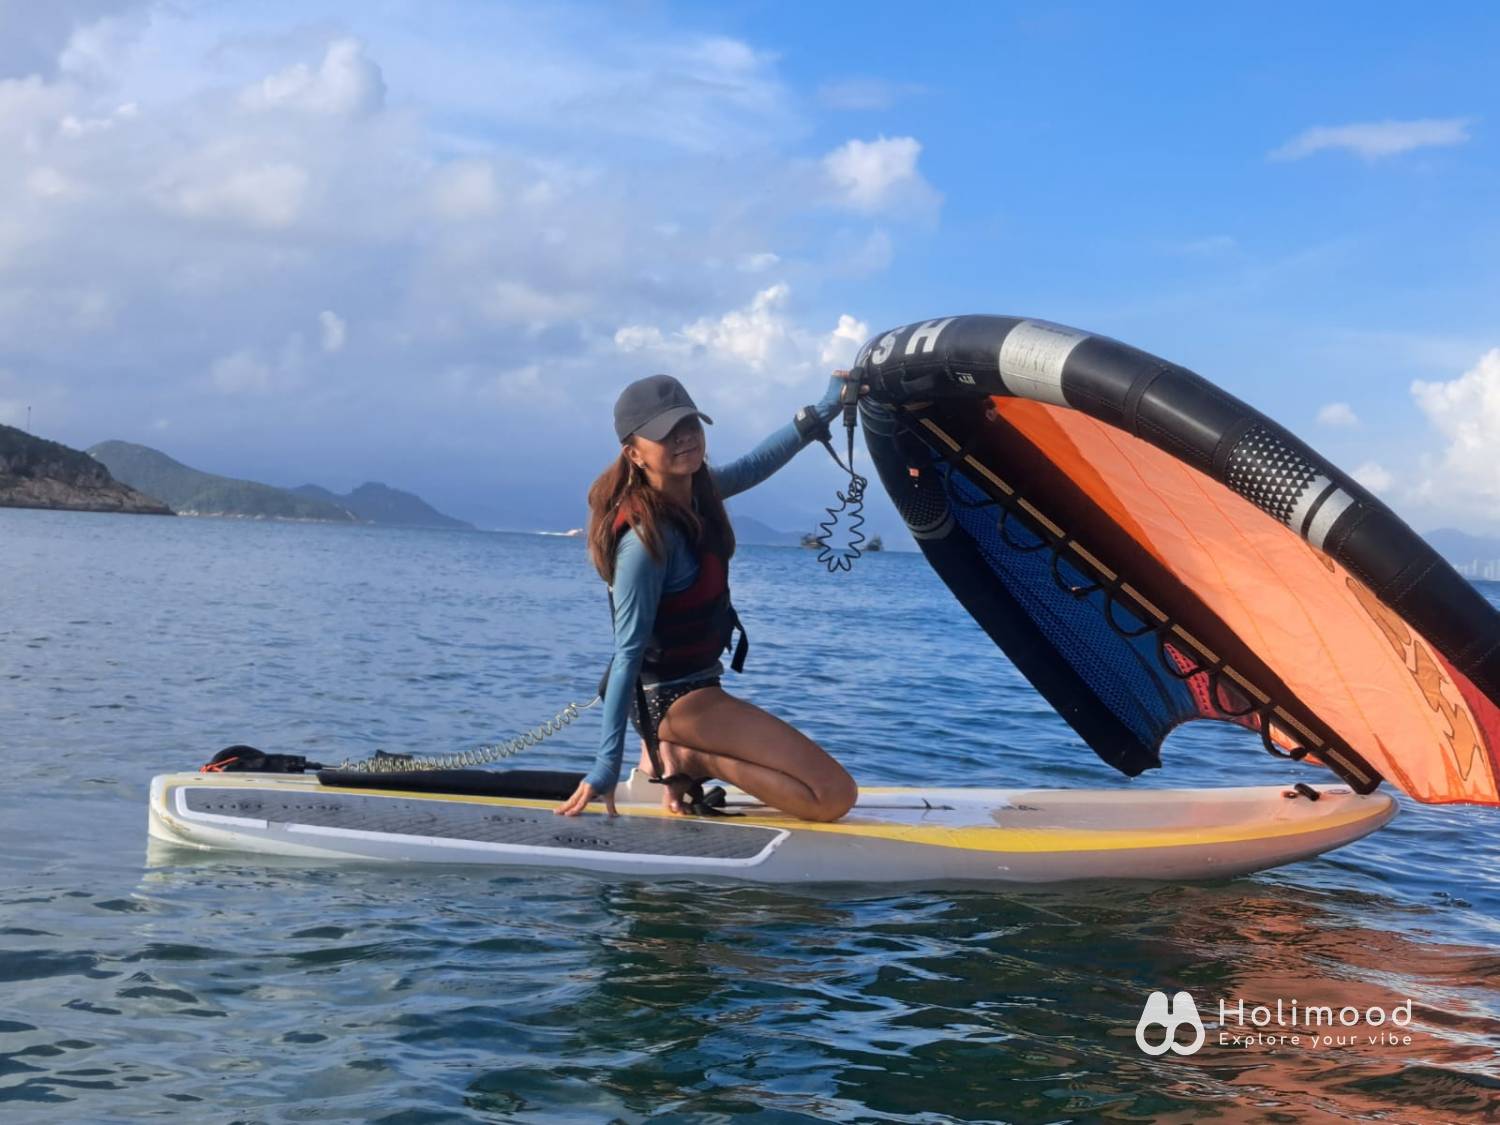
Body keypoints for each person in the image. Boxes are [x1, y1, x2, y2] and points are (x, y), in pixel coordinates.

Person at [555, 371, 860, 821]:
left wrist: (826, 406)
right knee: (833, 797)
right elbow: (626, 655)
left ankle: (682, 754)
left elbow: (755, 464)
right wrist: (605, 765)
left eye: (689, 426)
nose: (684, 440)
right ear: (633, 453)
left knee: (827, 788)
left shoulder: (697, 492)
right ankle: (689, 759)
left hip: (700, 686)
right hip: (668, 700)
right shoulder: (645, 541)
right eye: (666, 434)